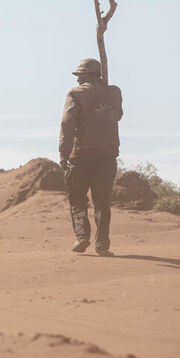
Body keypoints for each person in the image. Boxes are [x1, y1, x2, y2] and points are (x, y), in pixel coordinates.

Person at [59, 58, 123, 256]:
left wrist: (63, 152)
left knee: (77, 199)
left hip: (80, 157)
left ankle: (82, 236)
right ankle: (102, 244)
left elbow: (67, 124)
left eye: (80, 76)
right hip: (107, 157)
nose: (78, 80)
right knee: (102, 202)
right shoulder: (114, 92)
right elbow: (118, 115)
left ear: (88, 75)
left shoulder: (75, 94)